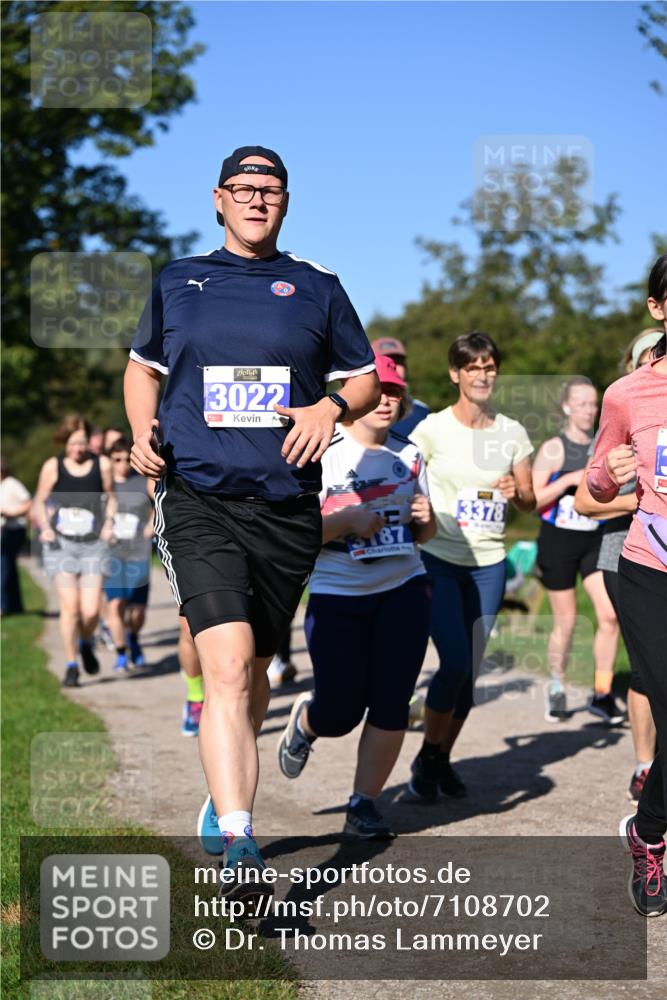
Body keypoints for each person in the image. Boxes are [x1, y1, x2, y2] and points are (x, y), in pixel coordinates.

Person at [125, 146, 379, 898]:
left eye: (269, 189)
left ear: (286, 201)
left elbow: (364, 380)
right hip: (196, 495)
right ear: (218, 198)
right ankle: (241, 840)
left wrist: (329, 406)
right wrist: (141, 431)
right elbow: (142, 369)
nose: (256, 199)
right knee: (229, 665)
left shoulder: (317, 286)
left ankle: (222, 787)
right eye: (242, 188)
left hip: (286, 505)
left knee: (258, 667)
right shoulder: (178, 280)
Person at [277, 354, 435, 837]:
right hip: (338, 592)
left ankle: (363, 804)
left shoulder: (410, 454)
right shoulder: (322, 449)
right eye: (379, 390)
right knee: (340, 711)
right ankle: (307, 722)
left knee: (393, 702)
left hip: (404, 588)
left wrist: (427, 519)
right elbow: (293, 535)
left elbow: (425, 534)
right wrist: (345, 520)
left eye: (396, 392)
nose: (387, 400)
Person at [408, 331, 536, 801]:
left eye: (489, 367)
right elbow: (404, 480)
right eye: (472, 368)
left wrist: (516, 493)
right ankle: (429, 756)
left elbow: (531, 501)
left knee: (470, 671)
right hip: (439, 559)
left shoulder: (513, 433)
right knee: (456, 661)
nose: (482, 375)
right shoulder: (431, 430)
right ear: (455, 374)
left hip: (490, 564)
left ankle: (438, 759)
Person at [588, 255, 667, 918]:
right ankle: (654, 837)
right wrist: (608, 472)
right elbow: (593, 486)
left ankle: (647, 827)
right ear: (657, 309)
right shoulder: (627, 395)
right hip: (649, 567)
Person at [575, 330, 663, 803]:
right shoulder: (626, 402)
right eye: (645, 355)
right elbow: (585, 501)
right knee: (642, 666)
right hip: (622, 546)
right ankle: (644, 763)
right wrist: (639, 498)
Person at [533, 377, 623, 724]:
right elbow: (532, 500)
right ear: (567, 407)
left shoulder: (603, 446)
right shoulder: (554, 449)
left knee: (609, 615)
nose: (589, 410)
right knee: (567, 620)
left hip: (593, 539)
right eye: (582, 404)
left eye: (593, 404)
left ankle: (602, 693)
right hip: (558, 541)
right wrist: (568, 481)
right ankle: (557, 686)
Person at [33, 415, 116, 686]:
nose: (77, 449)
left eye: (81, 443)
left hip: (93, 544)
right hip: (62, 545)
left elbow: (111, 498)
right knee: (70, 607)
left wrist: (109, 523)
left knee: (90, 611)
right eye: (72, 443)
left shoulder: (102, 464)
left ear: (89, 441)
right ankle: (71, 665)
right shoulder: (53, 466)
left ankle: (86, 642)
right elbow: (39, 501)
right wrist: (45, 526)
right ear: (64, 442)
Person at [103, 437, 153, 672]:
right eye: (117, 459)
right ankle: (121, 653)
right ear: (109, 460)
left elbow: (160, 504)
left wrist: (151, 525)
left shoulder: (142, 482)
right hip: (111, 554)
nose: (122, 464)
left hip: (138, 552)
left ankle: (133, 637)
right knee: (115, 605)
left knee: (136, 611)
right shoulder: (103, 484)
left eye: (126, 459)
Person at [371, 335, 430, 437]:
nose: (392, 366)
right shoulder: (356, 413)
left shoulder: (422, 413)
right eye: (384, 362)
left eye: (397, 361)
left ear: (406, 367)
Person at [0, 459, 32, 615]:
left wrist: (10, 512)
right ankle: (14, 606)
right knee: (9, 567)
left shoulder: (11, 484)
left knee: (3, 565)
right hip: (4, 529)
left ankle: (3, 605)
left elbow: (28, 503)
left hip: (13, 529)